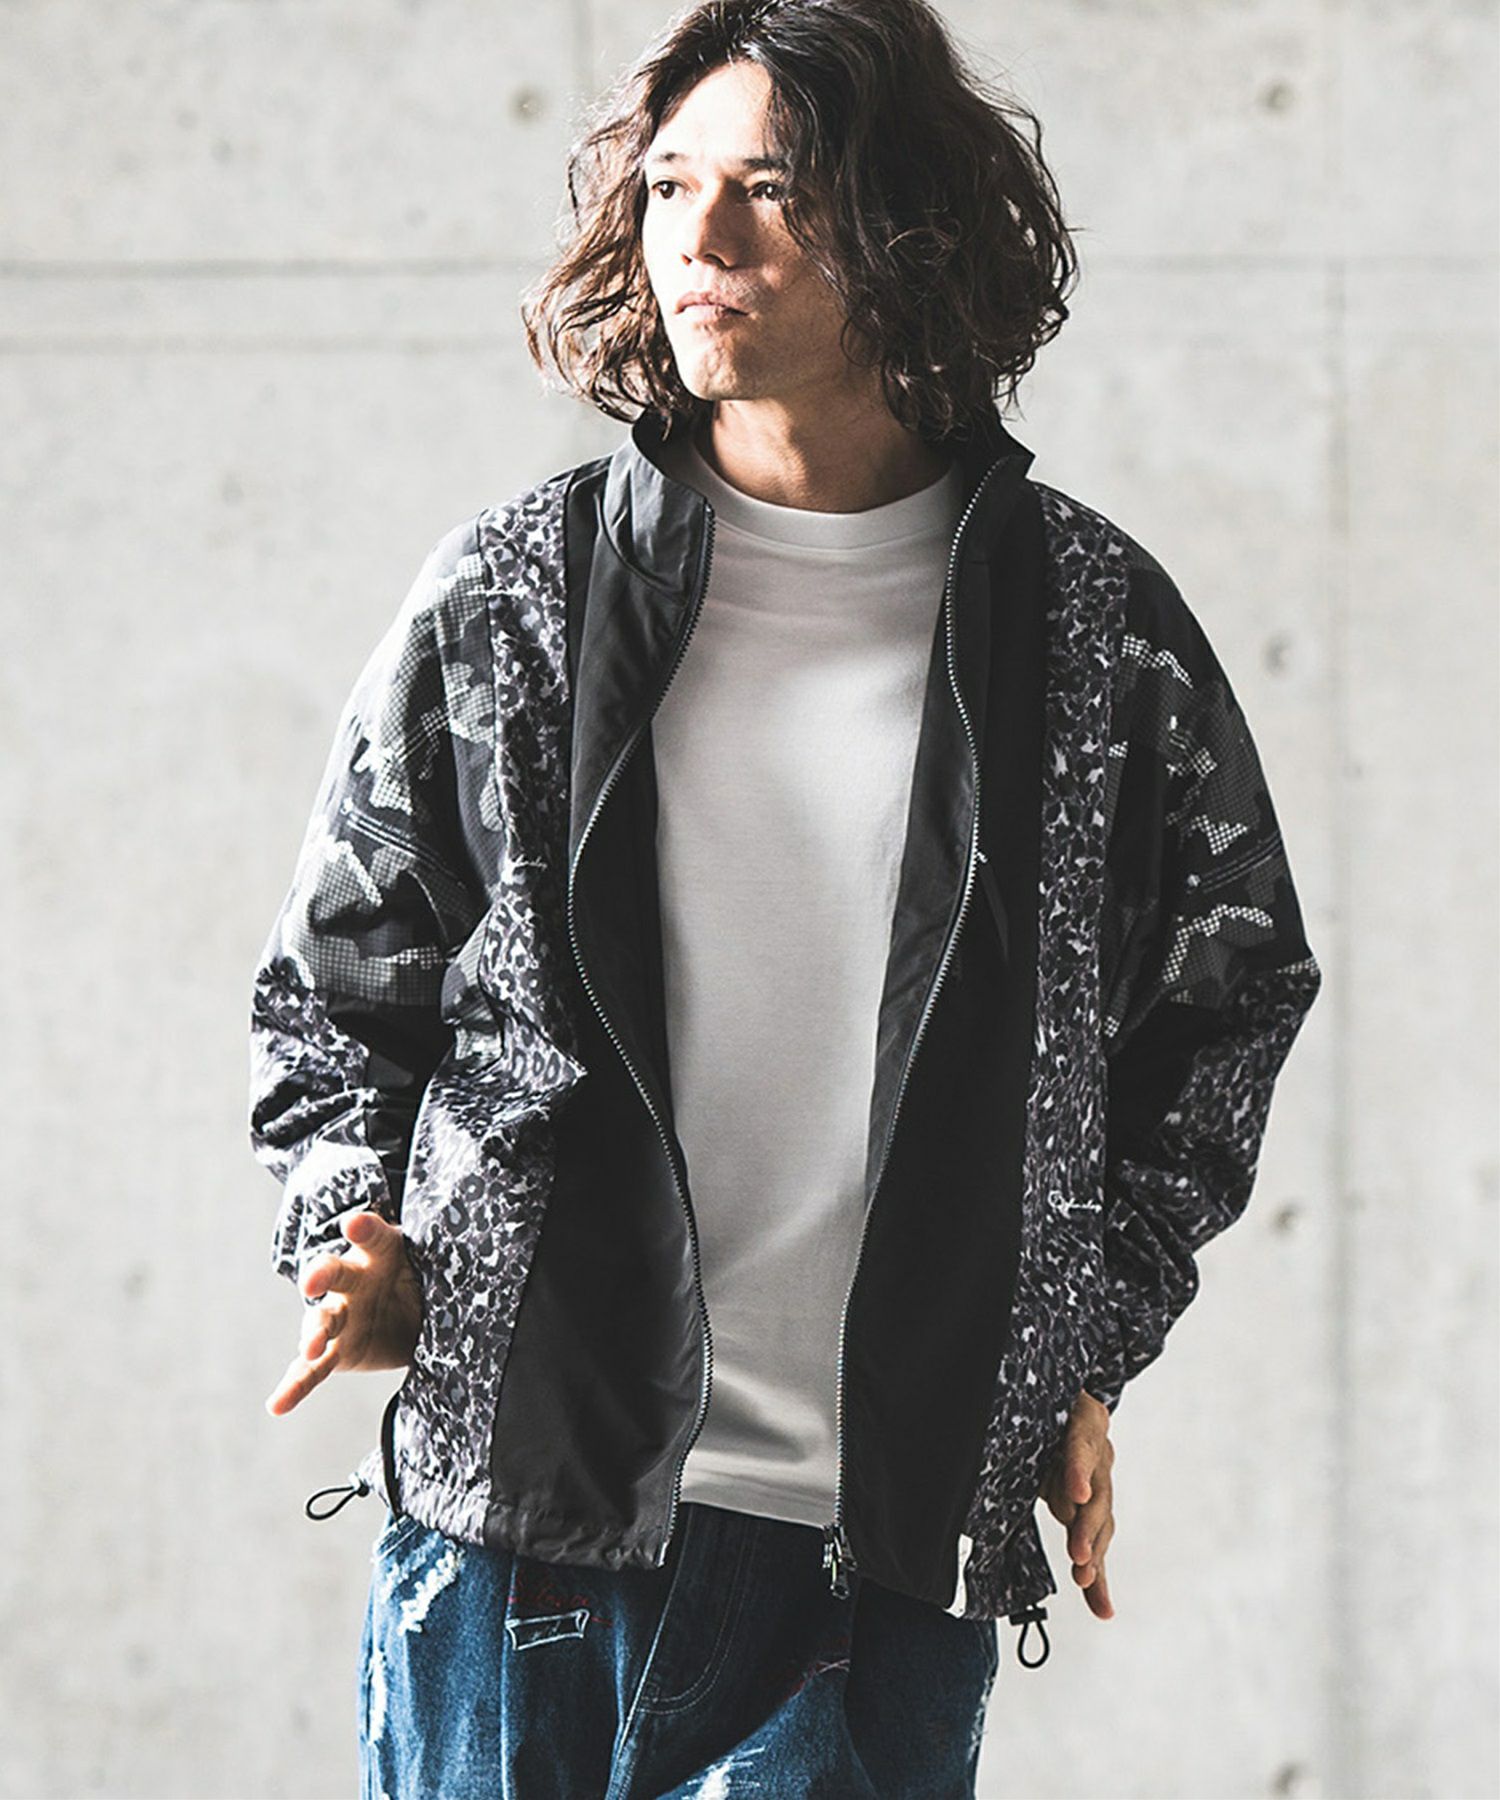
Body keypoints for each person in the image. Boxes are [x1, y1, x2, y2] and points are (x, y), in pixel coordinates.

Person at [246, 1, 1324, 1794]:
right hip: (522, 1523)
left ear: (908, 228)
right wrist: (354, 1226)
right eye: (672, 185)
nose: (702, 237)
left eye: (771, 188)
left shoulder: (1089, 630)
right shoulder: (518, 595)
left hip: (883, 1552)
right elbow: (337, 985)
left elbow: (1232, 999)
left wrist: (1084, 1337)